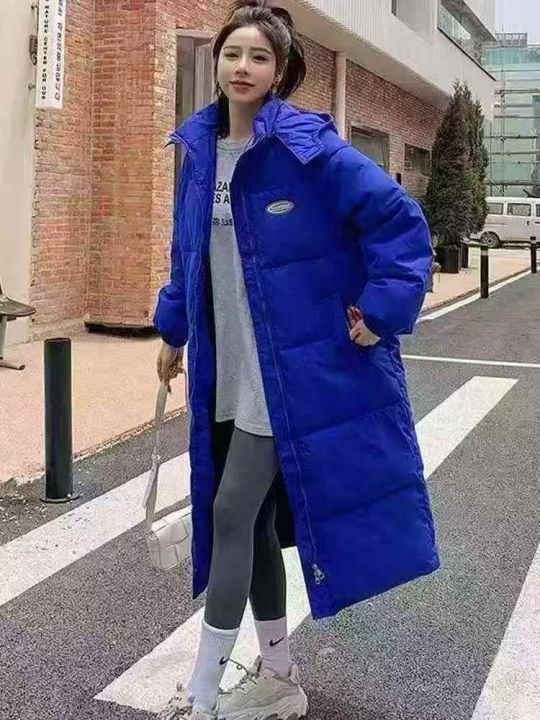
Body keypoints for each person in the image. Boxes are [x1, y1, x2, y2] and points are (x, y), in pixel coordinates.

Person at [154, 1, 440, 718]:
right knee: (250, 525)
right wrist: (173, 331)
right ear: (215, 62)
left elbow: (399, 222)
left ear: (280, 72)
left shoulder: (309, 148)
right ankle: (279, 678)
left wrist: (380, 312)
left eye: (259, 57)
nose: (242, 67)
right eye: (232, 53)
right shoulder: (199, 151)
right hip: (226, 364)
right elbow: (187, 253)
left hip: (286, 371)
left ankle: (201, 692)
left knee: (228, 513)